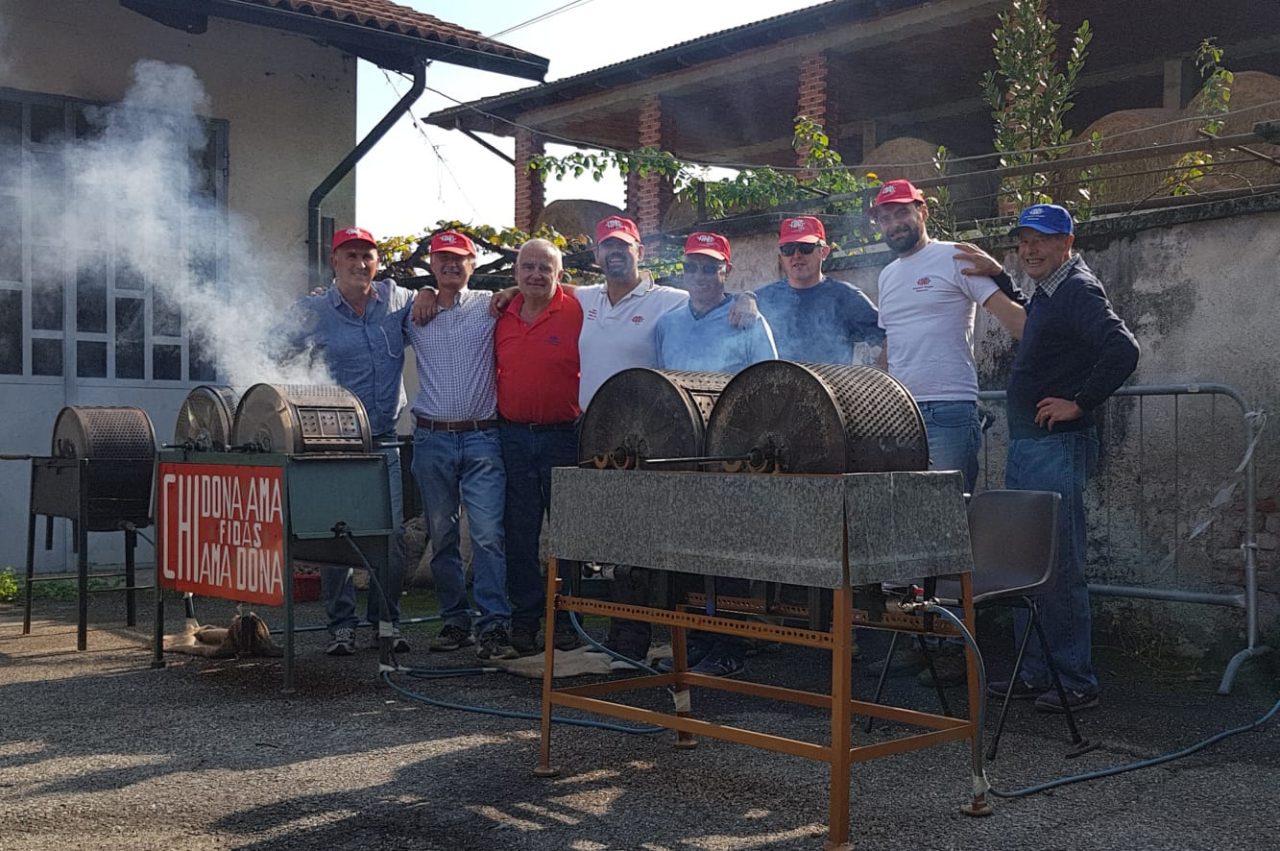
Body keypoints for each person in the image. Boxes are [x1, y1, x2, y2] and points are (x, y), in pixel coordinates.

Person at [868, 179, 1029, 686]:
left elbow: (1016, 320)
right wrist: (873, 392)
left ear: (922, 210)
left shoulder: (955, 257)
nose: (894, 223)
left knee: (948, 531)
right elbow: (893, 345)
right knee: (905, 532)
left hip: (949, 409)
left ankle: (958, 651)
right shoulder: (887, 275)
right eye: (885, 216)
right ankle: (918, 642)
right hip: (898, 414)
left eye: (902, 212)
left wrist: (1052, 348)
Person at [986, 203, 1139, 713]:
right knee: (1027, 563)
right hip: (1034, 445)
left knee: (1058, 564)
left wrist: (1079, 402)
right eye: (1024, 240)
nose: (1029, 249)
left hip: (1057, 446)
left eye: (1042, 239)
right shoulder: (1048, 292)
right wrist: (997, 278)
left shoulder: (1077, 288)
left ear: (1067, 243)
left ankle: (1074, 680)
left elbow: (1123, 349)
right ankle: (1035, 673)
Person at [652, 231, 777, 677]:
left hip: (731, 452)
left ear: (727, 271)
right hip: (683, 453)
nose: (701, 275)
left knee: (727, 555)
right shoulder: (667, 324)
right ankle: (696, 643)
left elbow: (769, 385)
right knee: (688, 552)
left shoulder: (748, 320)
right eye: (693, 267)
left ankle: (729, 648)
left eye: (711, 267)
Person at [286, 226, 412, 661]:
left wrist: (429, 294)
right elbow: (273, 348)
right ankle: (341, 626)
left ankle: (386, 622)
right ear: (335, 261)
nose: (360, 263)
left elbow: (437, 302)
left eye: (367, 256)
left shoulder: (397, 301)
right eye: (351, 255)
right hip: (333, 440)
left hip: (384, 439)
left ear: (377, 263)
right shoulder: (313, 310)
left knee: (392, 535)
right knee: (336, 534)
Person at [407, 230, 517, 661]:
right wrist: (424, 293)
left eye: (460, 258)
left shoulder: (491, 306)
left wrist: (510, 289)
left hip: (481, 437)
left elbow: (536, 290)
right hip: (431, 438)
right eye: (443, 259)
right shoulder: (413, 312)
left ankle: (494, 626)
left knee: (488, 535)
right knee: (442, 536)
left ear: (474, 264)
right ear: (432, 265)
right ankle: (455, 621)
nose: (451, 264)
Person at [495, 239, 585, 655]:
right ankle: (525, 620)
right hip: (512, 437)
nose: (535, 274)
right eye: (527, 267)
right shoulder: (500, 313)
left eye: (544, 268)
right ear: (515, 273)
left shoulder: (580, 309)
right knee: (519, 532)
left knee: (567, 533)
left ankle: (566, 621)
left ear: (559, 275)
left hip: (563, 436)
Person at [753, 215, 884, 365]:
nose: (796, 255)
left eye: (805, 248)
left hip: (830, 380)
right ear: (780, 257)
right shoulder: (764, 299)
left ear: (824, 252)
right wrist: (747, 298)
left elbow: (888, 339)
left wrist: (878, 373)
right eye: (788, 249)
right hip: (777, 380)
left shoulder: (845, 296)